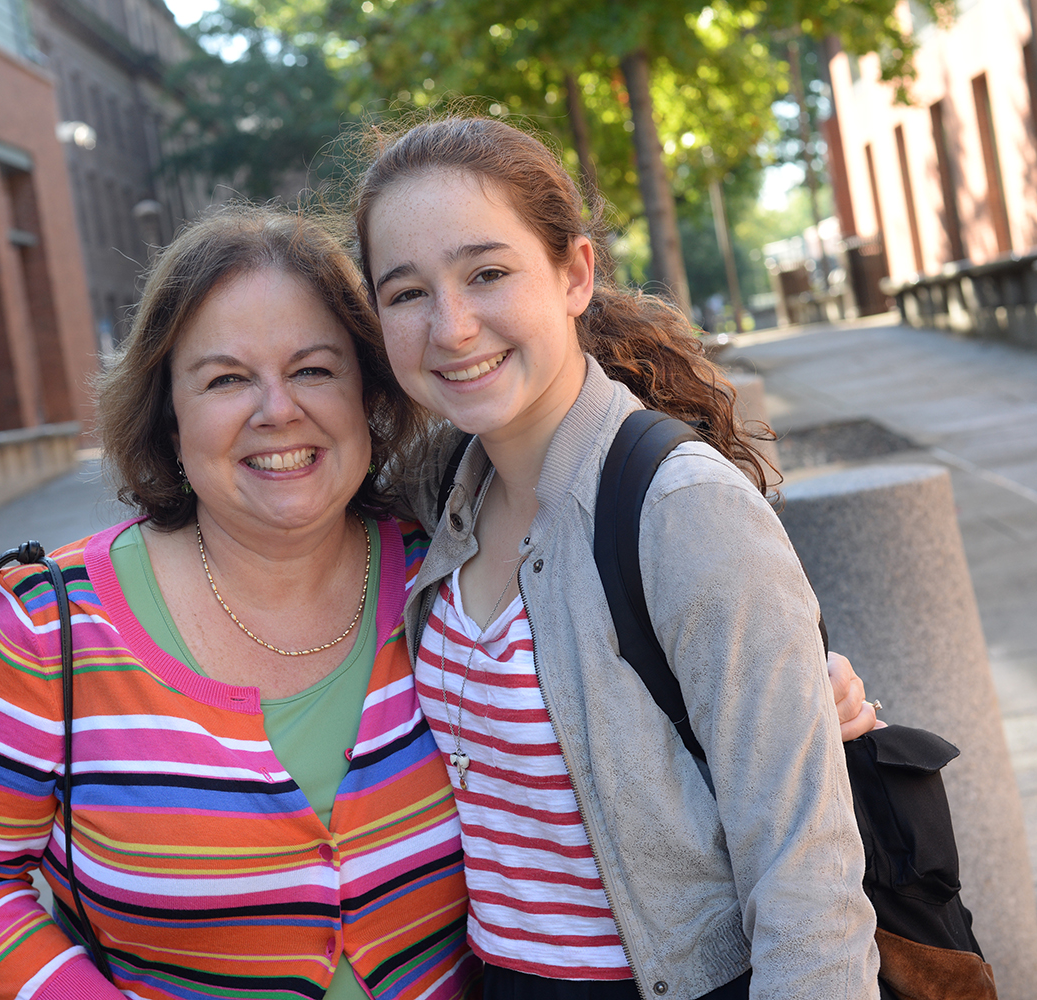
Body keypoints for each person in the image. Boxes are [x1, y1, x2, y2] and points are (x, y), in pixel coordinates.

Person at [353, 116, 881, 999]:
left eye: (487, 273)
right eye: (406, 293)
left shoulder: (682, 507)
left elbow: (807, 873)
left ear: (574, 273)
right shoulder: (440, 489)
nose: (450, 327)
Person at [0, 208, 481, 1000]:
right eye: (226, 379)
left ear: (369, 396)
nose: (277, 409)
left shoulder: (447, 575)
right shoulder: (49, 626)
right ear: (168, 417)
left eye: (314, 369)